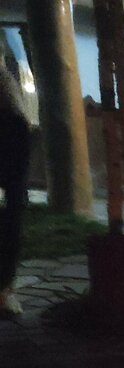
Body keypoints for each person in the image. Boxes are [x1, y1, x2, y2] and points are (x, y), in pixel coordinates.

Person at [0, 47, 31, 317]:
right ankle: (4, 291)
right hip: (13, 124)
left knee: (11, 215)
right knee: (11, 214)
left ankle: (4, 290)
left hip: (10, 128)